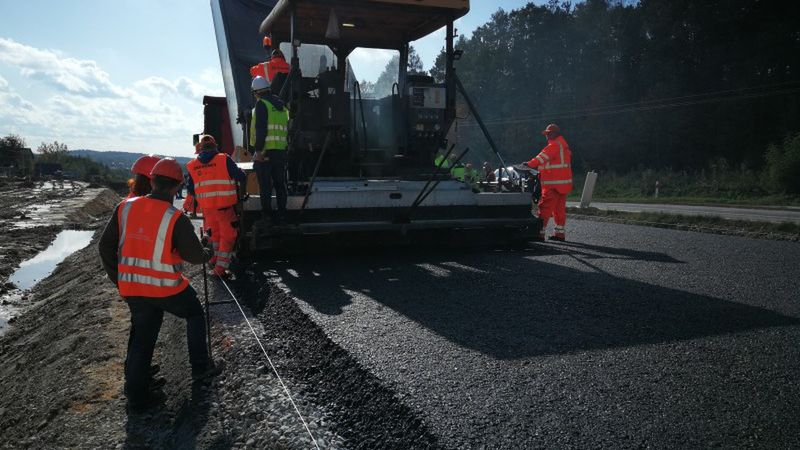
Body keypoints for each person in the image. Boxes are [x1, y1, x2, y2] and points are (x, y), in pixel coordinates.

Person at [98, 158, 221, 412]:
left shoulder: (125, 208)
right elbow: (195, 256)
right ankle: (200, 368)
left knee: (142, 338)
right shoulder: (174, 217)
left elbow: (105, 247)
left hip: (133, 289)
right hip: (167, 289)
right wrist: (208, 250)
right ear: (177, 187)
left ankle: (137, 398)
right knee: (195, 313)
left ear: (151, 181)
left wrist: (119, 280)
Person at [186, 135, 246, 277]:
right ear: (215, 146)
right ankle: (220, 270)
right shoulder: (223, 159)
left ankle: (213, 260)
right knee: (228, 237)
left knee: (215, 237)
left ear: (201, 148)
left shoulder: (192, 165)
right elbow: (241, 177)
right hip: (224, 209)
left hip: (208, 210)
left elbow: (190, 189)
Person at [517, 123, 573, 241]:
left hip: (553, 184)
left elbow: (541, 157)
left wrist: (528, 164)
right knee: (559, 210)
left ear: (554, 134)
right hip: (562, 185)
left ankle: (539, 233)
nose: (546, 136)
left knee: (544, 208)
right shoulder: (563, 146)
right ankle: (559, 234)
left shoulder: (554, 145)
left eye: (548, 134)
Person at [249, 76, 289, 225]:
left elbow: (261, 130)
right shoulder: (282, 106)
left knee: (265, 186)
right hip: (280, 151)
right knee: (280, 184)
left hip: (265, 152)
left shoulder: (261, 104)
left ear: (257, 92)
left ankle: (267, 215)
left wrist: (258, 151)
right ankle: (282, 214)